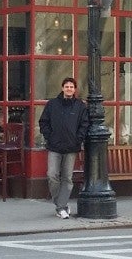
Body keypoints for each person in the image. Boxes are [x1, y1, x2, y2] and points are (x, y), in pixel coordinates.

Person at [39, 77, 89, 219]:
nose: (69, 89)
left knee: (67, 177)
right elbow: (44, 122)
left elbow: (84, 125)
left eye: (71, 87)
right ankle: (61, 205)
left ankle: (61, 206)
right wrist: (49, 136)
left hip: (71, 147)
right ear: (62, 88)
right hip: (54, 146)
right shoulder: (52, 104)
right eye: (66, 86)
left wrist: (78, 138)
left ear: (74, 90)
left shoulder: (80, 106)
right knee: (52, 175)